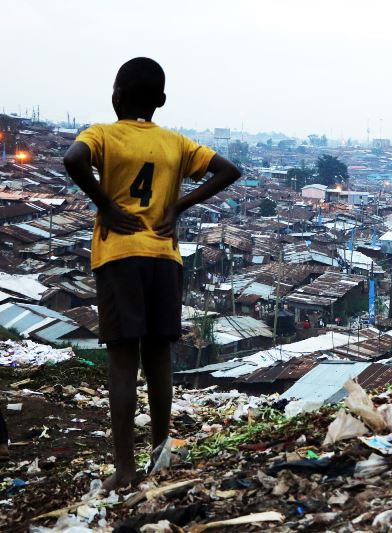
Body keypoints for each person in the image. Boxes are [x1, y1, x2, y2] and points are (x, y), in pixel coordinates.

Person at [63, 57, 241, 490]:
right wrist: (177, 206)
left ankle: (124, 469)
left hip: (119, 256)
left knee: (124, 364)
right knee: (159, 360)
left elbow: (73, 160)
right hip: (164, 256)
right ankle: (160, 454)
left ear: (116, 95)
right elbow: (229, 170)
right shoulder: (177, 144)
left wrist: (105, 204)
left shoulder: (102, 134)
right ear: (161, 100)